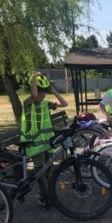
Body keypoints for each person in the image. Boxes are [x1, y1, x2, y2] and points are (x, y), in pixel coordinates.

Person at [21, 72, 68, 207]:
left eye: (44, 92)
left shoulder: (46, 104)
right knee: (40, 172)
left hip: (47, 143)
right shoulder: (27, 103)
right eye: (40, 91)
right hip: (34, 144)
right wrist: (34, 78)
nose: (42, 95)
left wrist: (52, 90)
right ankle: (48, 197)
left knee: (49, 170)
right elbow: (34, 96)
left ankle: (44, 197)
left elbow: (64, 104)